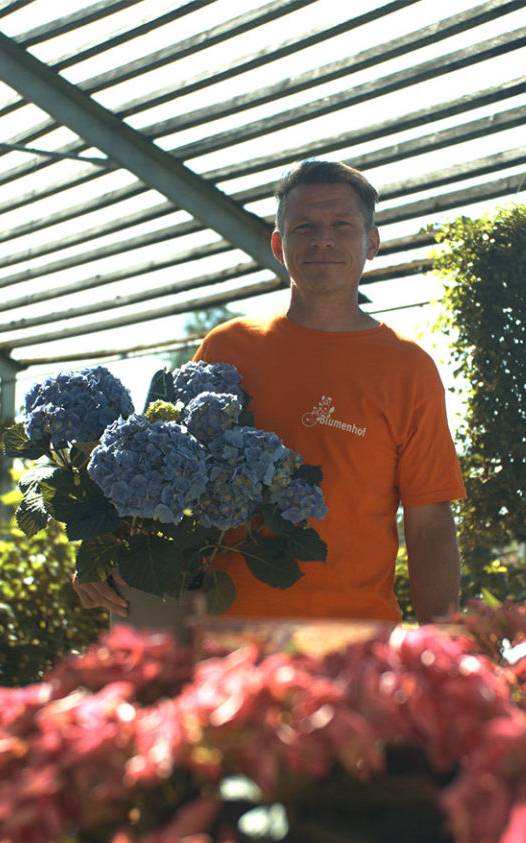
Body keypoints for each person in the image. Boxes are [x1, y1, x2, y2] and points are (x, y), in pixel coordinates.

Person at [76, 160, 464, 623]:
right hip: (225, 640)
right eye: (304, 226)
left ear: (372, 242)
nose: (323, 239)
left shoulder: (408, 369)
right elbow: (161, 474)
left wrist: (442, 644)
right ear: (279, 246)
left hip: (356, 645)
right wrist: (99, 551)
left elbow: (429, 526)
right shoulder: (226, 348)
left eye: (342, 224)